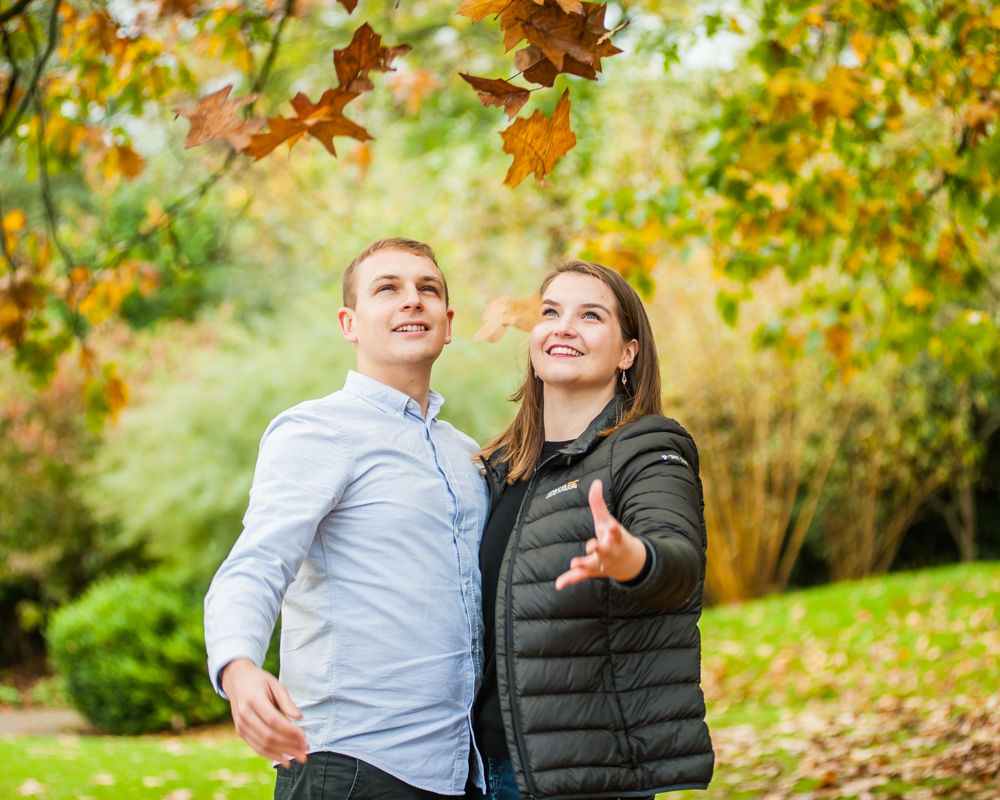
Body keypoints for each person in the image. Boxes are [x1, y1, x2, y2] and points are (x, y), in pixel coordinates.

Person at [204, 237, 489, 799]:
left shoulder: (467, 454)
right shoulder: (318, 430)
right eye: (388, 289)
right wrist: (238, 667)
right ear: (349, 323)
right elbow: (258, 560)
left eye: (427, 289)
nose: (412, 301)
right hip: (351, 767)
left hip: (457, 770)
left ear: (448, 322)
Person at [470, 260, 715, 799]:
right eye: (551, 311)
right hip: (478, 770)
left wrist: (633, 560)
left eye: (590, 316)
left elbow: (678, 561)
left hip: (584, 779)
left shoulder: (648, 448)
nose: (563, 326)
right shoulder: (499, 468)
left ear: (628, 353)